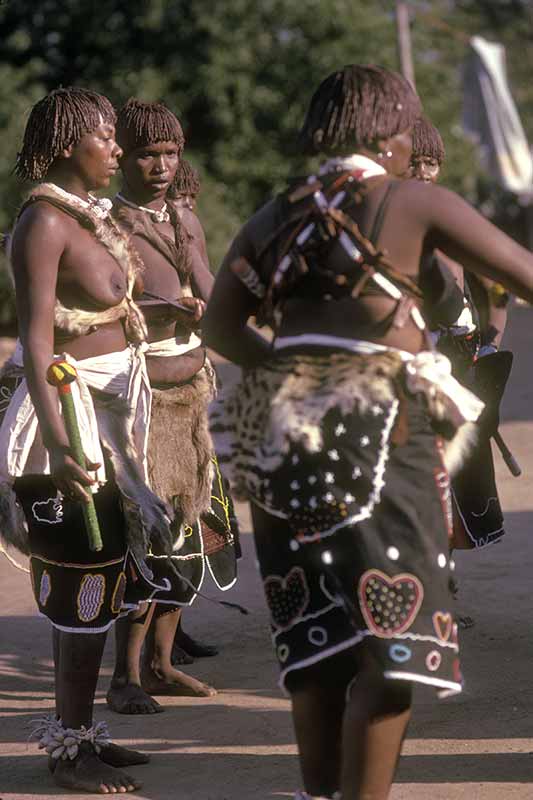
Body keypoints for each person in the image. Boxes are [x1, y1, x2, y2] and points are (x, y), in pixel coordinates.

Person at [202, 65, 533, 800]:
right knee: (393, 649)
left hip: (283, 439)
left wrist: (303, 376)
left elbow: (219, 324)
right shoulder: (413, 200)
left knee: (317, 646)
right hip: (383, 437)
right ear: (389, 133)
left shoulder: (274, 213)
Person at [0, 87, 175, 793]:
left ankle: (83, 735)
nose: (118, 149)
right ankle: (69, 751)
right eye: (106, 137)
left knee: (105, 578)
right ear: (70, 143)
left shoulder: (89, 219)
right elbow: (37, 340)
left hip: (107, 419)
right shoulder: (43, 222)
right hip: (66, 421)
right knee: (80, 579)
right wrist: (60, 439)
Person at [106, 99, 238, 715]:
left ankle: (161, 664)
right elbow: (109, 311)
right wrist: (167, 311)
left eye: (170, 153)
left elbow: (206, 281)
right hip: (143, 395)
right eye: (146, 153)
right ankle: (125, 677)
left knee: (194, 526)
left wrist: (232, 312)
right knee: (148, 534)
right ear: (121, 157)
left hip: (194, 388)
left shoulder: (185, 216)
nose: (160, 165)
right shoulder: (106, 224)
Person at [410, 115, 509, 559]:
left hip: (462, 364)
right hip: (413, 365)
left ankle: (442, 585)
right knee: (419, 475)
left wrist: (488, 343)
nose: (422, 172)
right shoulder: (388, 225)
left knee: (455, 476)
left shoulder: (453, 220)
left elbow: (496, 288)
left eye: (430, 162)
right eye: (413, 162)